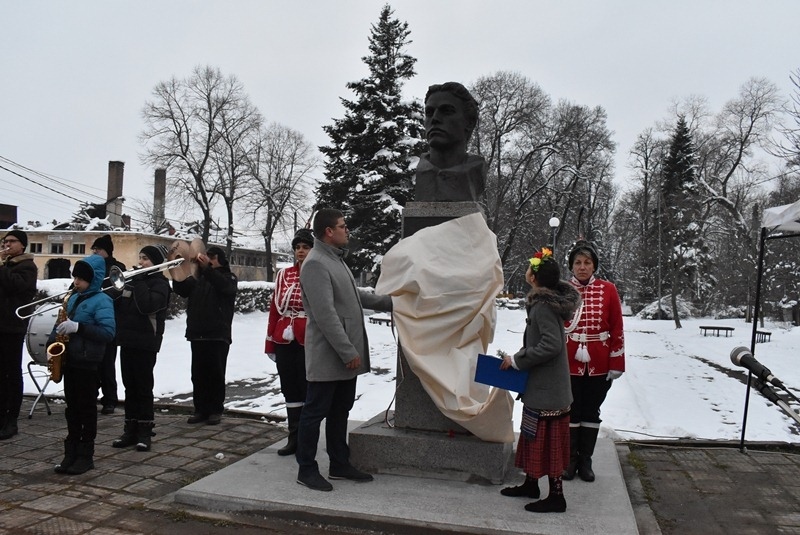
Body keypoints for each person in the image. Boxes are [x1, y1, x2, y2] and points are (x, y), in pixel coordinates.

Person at [295, 208, 392, 492]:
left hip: (343, 355)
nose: (346, 230)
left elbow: (353, 296)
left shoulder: (335, 259)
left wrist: (394, 303)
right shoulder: (315, 263)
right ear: (328, 231)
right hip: (330, 355)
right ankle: (306, 469)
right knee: (314, 413)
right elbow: (325, 315)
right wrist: (348, 352)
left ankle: (339, 463)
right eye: (343, 226)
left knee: (340, 410)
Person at [499, 247, 581, 513]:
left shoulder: (543, 306)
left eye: (528, 268)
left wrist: (518, 359)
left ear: (534, 277)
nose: (525, 271)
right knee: (533, 435)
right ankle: (531, 484)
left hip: (548, 390)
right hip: (543, 388)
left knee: (548, 442)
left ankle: (557, 496)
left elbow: (552, 345)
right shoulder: (543, 302)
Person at [563, 240, 625, 482]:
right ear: (571, 266)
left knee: (591, 411)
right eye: (578, 262)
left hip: (599, 361)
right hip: (569, 360)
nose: (582, 267)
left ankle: (585, 459)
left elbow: (618, 326)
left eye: (587, 262)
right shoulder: (563, 289)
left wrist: (617, 361)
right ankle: (569, 459)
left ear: (594, 265)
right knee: (570, 409)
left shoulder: (608, 289)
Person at [51, 255, 116, 474]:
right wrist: (54, 339)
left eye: (81, 279)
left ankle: (85, 456)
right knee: (72, 410)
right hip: (71, 360)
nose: (76, 282)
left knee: (86, 410)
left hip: (89, 363)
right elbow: (61, 323)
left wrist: (79, 327)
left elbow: (108, 333)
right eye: (75, 277)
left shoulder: (102, 300)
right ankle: (70, 453)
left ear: (94, 279)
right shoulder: (72, 298)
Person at [111, 244, 171, 452]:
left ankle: (145, 431)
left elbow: (147, 306)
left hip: (146, 342)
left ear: (155, 262)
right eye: (141, 258)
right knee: (129, 386)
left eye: (146, 259)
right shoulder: (134, 283)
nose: (141, 262)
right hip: (127, 340)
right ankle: (130, 428)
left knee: (143, 387)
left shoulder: (161, 284)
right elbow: (119, 307)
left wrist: (138, 281)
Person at [171, 245, 237, 425]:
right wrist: (176, 269)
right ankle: (200, 409)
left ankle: (215, 410)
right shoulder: (197, 279)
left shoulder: (228, 277)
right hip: (197, 333)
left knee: (215, 374)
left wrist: (207, 269)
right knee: (198, 374)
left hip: (218, 334)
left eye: (212, 257)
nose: (207, 260)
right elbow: (182, 289)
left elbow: (225, 288)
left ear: (221, 260)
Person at [265, 228, 314, 457]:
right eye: (298, 248)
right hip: (284, 337)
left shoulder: (318, 273)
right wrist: (269, 343)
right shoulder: (283, 275)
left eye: (305, 247)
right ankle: (293, 436)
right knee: (289, 387)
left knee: (307, 387)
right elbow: (275, 309)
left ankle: (306, 438)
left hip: (309, 338)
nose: (301, 252)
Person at [414, 81, 486, 202]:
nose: (435, 119)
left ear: (469, 122)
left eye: (447, 111)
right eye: (429, 113)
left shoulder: (475, 171)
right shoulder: (422, 172)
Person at [0, 230, 38, 440]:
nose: (7, 245)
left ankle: (11, 419)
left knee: (11, 374)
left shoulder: (27, 266)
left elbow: (15, 286)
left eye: (12, 241)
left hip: (12, 326)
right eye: (5, 241)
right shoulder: (5, 266)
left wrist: (1, 265)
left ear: (22, 245)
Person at [90, 234, 126, 415]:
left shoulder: (117, 268)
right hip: (90, 322)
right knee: (91, 363)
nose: (95, 252)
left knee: (107, 363)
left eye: (99, 249)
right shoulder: (89, 267)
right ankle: (91, 396)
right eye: (94, 250)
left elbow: (119, 294)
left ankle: (109, 399)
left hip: (109, 322)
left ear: (107, 251)